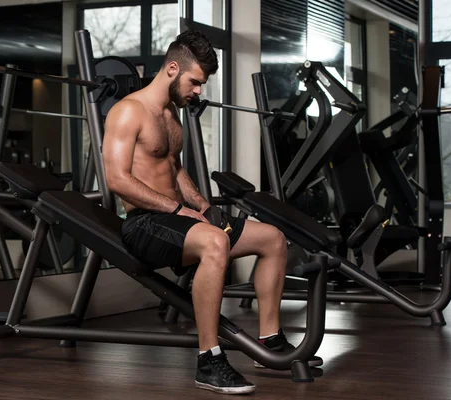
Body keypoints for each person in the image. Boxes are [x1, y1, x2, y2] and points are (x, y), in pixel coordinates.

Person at [102, 30, 321, 395]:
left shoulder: (171, 114)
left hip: (180, 218)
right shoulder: (128, 112)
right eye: (196, 82)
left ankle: (269, 340)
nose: (199, 91)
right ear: (172, 68)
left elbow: (174, 168)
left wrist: (201, 204)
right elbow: (117, 180)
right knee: (216, 242)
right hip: (145, 225)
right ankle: (209, 360)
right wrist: (176, 208)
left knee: (272, 238)